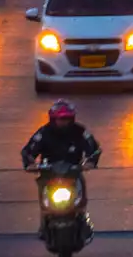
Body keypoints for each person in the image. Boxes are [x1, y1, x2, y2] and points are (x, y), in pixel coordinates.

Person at [21, 100, 101, 237]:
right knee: (43, 189)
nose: (64, 122)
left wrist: (90, 162)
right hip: (49, 173)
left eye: (67, 118)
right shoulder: (43, 133)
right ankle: (45, 221)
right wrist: (29, 164)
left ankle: (82, 218)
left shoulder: (80, 132)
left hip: (73, 172)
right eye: (61, 119)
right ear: (53, 119)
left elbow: (94, 148)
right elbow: (28, 151)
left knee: (80, 189)